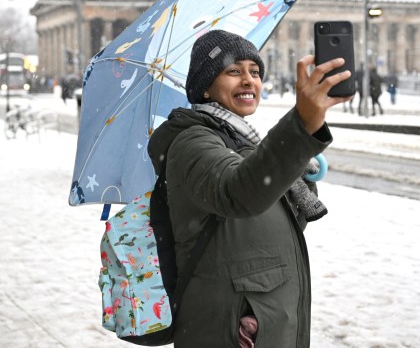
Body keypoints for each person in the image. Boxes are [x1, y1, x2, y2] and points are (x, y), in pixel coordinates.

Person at [147, 30, 351, 348]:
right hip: (231, 327)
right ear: (204, 88)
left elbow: (281, 225)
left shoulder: (242, 138)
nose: (248, 80)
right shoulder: (191, 141)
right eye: (233, 71)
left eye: (254, 72)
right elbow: (238, 194)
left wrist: (298, 170)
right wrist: (298, 128)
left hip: (261, 320)